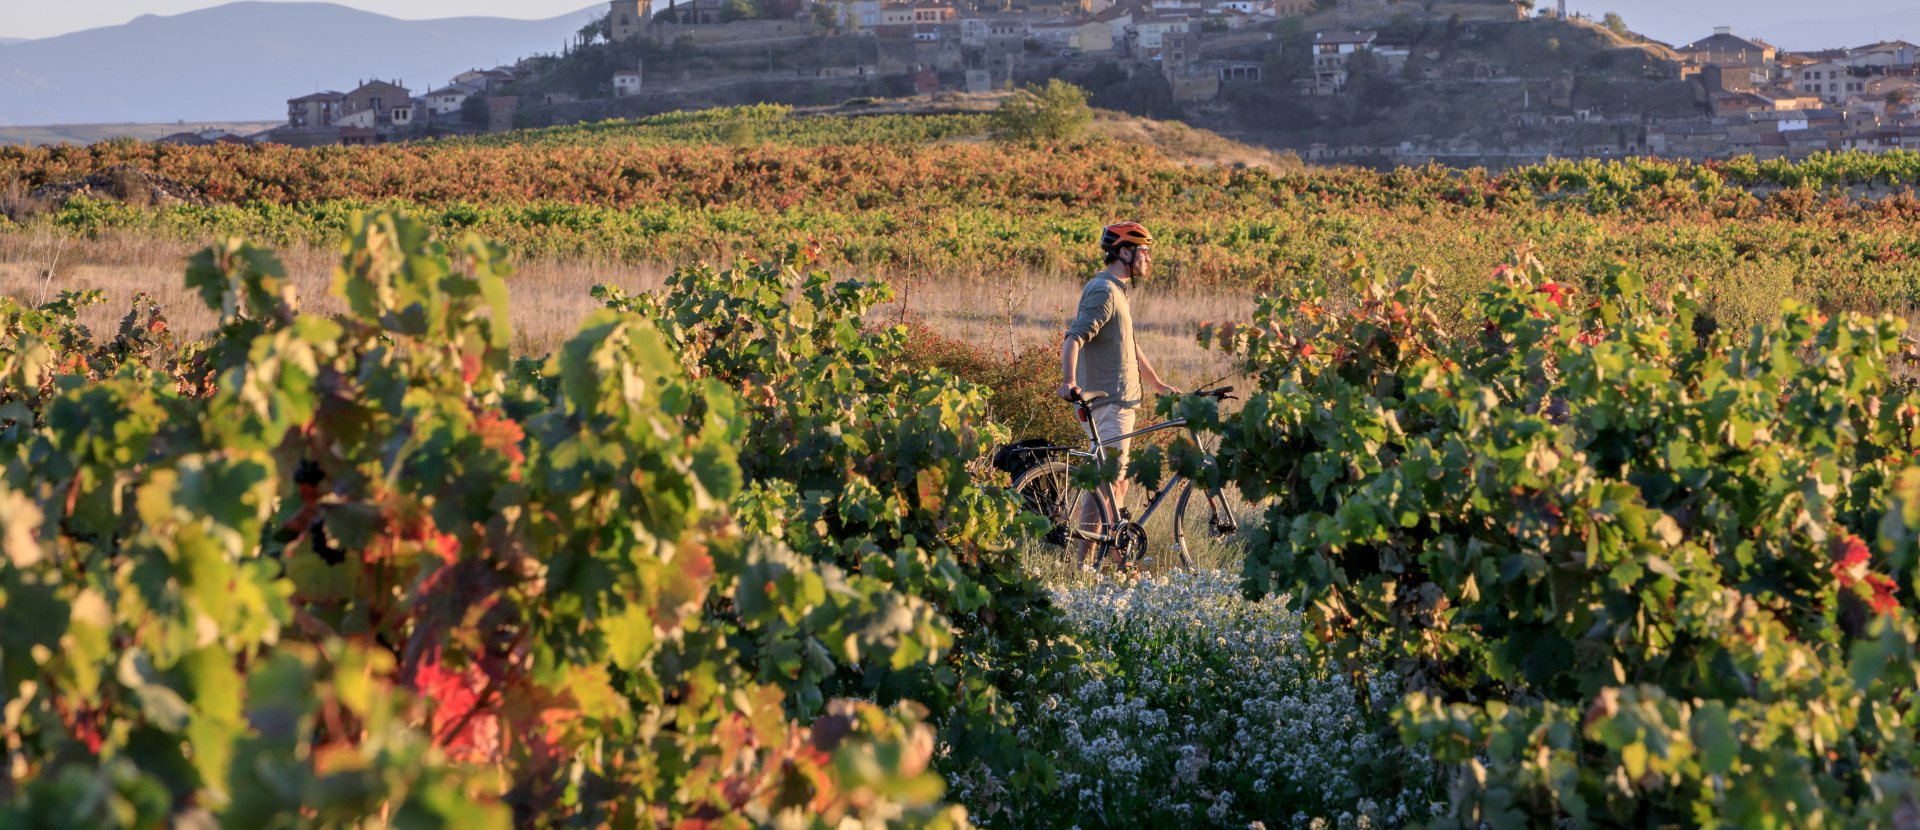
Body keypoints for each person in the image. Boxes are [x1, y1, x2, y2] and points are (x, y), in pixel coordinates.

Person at [1056, 221, 1178, 565]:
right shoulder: (1105, 292)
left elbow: (1130, 345)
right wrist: (1069, 381)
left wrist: (1156, 383)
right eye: (1144, 251)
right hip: (1108, 404)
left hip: (1120, 403)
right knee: (1106, 484)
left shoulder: (1117, 290)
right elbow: (1074, 337)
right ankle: (1095, 563)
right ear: (1124, 252)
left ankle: (1105, 560)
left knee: (1114, 484)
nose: (1149, 258)